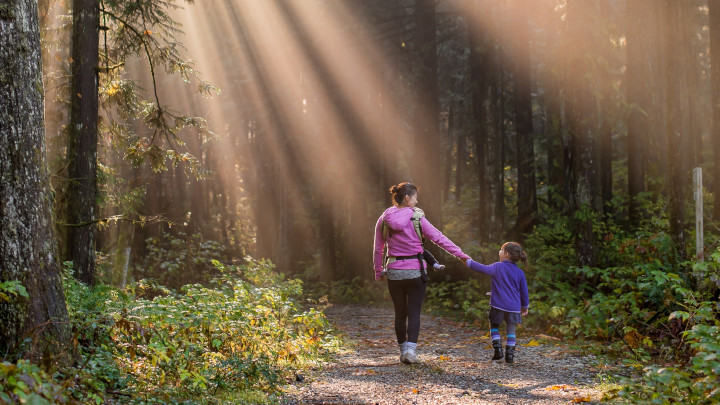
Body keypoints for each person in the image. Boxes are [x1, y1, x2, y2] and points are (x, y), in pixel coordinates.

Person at [373, 182, 471, 364]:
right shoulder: (417, 218)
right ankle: (411, 351)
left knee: (400, 313)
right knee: (414, 312)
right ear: (408, 198)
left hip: (394, 271)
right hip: (416, 272)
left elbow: (378, 248)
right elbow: (439, 238)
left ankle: (403, 352)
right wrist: (461, 255)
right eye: (416, 197)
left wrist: (379, 271)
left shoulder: (384, 218)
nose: (417, 202)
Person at [465, 242, 529, 363]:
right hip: (514, 307)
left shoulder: (497, 267)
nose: (499, 252)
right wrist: (524, 306)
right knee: (511, 330)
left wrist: (468, 262)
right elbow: (524, 292)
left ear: (506, 254)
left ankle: (498, 349)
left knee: (494, 325)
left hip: (498, 305)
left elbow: (482, 268)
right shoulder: (520, 272)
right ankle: (510, 355)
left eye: (501, 250)